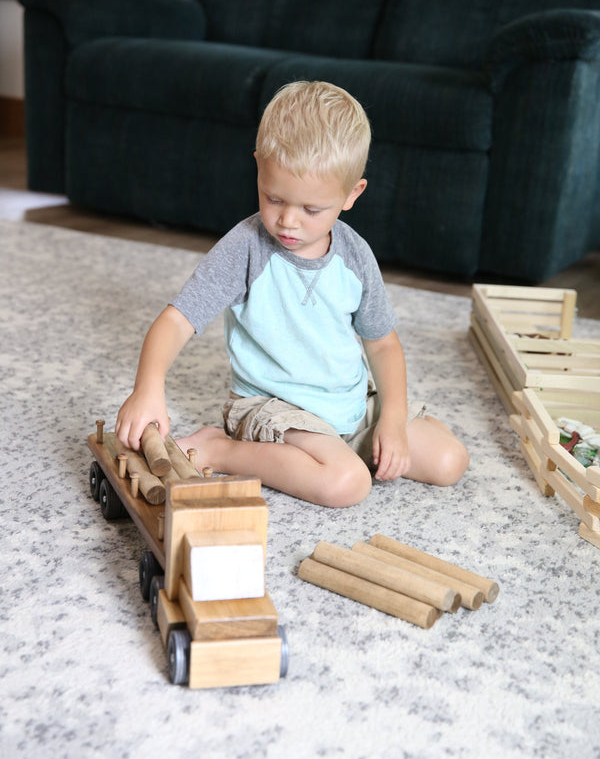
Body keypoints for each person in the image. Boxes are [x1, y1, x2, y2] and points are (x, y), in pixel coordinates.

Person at [116, 81, 469, 507]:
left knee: (450, 460)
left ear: (352, 194)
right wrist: (147, 386)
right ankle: (222, 448)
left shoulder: (355, 256)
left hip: (348, 407)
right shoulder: (246, 247)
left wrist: (391, 422)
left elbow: (384, 346)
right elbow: (177, 319)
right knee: (347, 484)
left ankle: (339, 446)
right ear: (259, 168)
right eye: (273, 198)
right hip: (274, 407)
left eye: (311, 210)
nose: (287, 221)